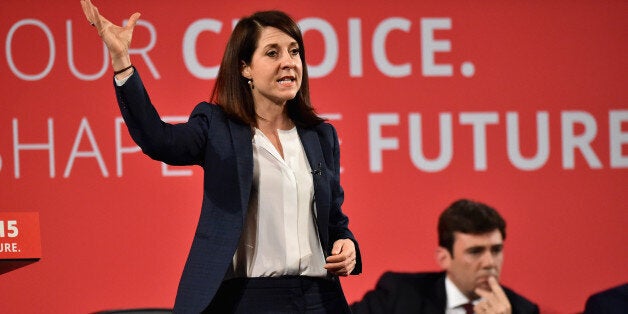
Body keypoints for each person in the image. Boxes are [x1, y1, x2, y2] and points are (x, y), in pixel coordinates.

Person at [80, 1, 362, 313]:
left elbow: (335, 221)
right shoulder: (218, 127)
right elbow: (158, 140)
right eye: (273, 53)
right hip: (249, 299)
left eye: (294, 51)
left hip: (321, 299)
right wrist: (122, 62)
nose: (288, 62)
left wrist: (347, 246)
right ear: (245, 68)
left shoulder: (320, 136)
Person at [351, 199, 538, 314]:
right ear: (444, 258)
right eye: (475, 252)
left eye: (496, 250)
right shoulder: (399, 295)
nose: (489, 263)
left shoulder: (522, 310)